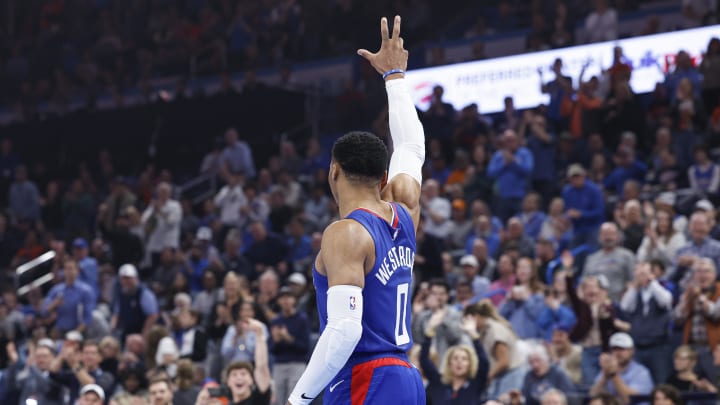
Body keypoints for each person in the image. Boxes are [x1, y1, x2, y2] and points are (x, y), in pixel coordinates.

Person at [287, 15, 425, 405]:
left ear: (334, 172)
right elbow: (411, 148)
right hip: (405, 377)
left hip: (365, 377)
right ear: (384, 177)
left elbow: (345, 329)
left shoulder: (345, 233)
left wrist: (297, 399)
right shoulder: (404, 210)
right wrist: (394, 77)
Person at [464, 300, 526, 400]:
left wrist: (487, 377)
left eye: (467, 320)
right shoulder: (483, 331)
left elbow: (504, 361)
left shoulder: (495, 330)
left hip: (511, 375)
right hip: (501, 375)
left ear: (475, 316)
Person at [588, 332, 654, 404]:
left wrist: (614, 375)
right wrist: (605, 375)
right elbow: (593, 397)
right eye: (615, 349)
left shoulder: (641, 372)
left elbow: (630, 400)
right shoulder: (606, 370)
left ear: (632, 351)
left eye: (622, 349)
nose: (618, 353)